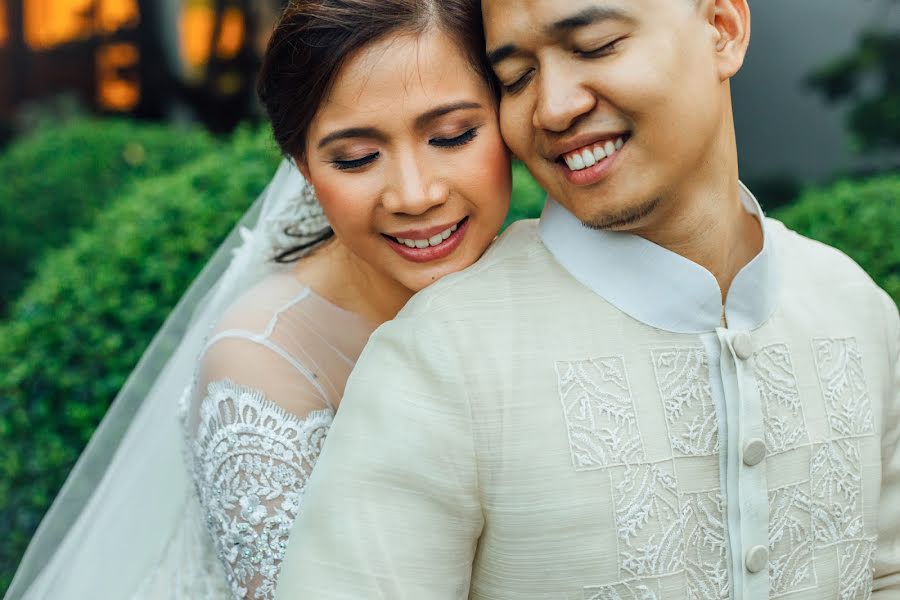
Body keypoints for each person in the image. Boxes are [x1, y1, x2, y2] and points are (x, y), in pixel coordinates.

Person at [275, 0, 900, 598]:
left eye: (596, 45)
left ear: (723, 27)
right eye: (515, 79)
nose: (553, 107)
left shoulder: (856, 308)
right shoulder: (440, 355)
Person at [4, 2, 510, 599]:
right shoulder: (259, 371)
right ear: (303, 167)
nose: (415, 194)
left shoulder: (547, 272)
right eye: (356, 158)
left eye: (452, 136)